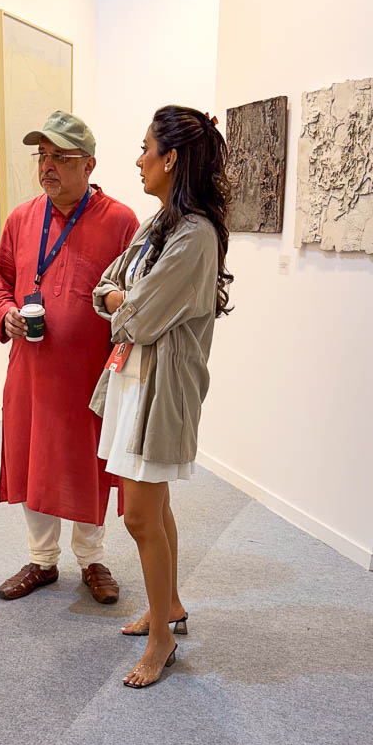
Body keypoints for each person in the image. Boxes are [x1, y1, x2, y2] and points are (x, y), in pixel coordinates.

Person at [90, 105, 234, 687]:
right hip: (134, 379)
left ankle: (161, 640)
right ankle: (167, 606)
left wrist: (122, 303)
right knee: (156, 507)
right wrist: (121, 301)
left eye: (145, 148)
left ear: (170, 158)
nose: (138, 159)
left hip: (161, 386)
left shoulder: (194, 235)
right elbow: (106, 285)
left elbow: (138, 318)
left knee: (140, 516)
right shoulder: (158, 225)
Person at [0, 110, 139, 602]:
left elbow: (138, 294)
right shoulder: (21, 218)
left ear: (89, 164)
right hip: (31, 373)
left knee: (88, 466)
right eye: (42, 156)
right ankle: (42, 560)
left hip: (91, 376)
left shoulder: (121, 221)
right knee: (33, 460)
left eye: (60, 158)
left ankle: (92, 559)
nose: (47, 167)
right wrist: (6, 313)